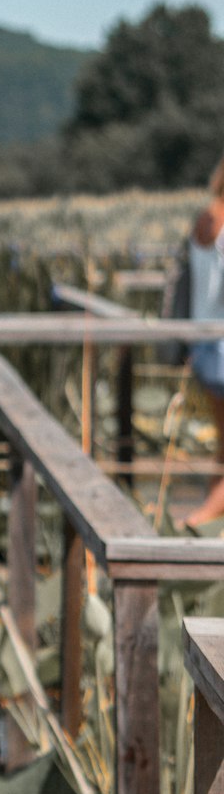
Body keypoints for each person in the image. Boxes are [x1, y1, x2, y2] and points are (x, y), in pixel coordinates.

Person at [183, 153, 224, 526]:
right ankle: (202, 518)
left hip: (205, 347)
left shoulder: (206, 217)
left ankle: (205, 516)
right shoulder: (218, 219)